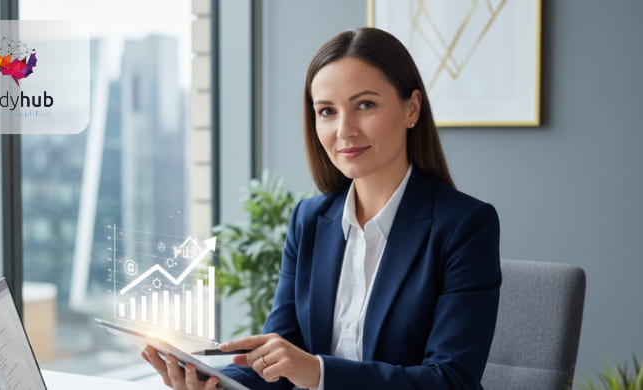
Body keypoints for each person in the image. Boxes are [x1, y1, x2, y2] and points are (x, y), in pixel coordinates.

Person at [142, 27, 501, 390]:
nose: (344, 130)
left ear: (412, 108)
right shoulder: (309, 220)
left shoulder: (465, 226)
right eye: (327, 111)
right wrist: (214, 384)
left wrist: (318, 372)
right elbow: (281, 360)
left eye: (365, 105)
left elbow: (451, 381)